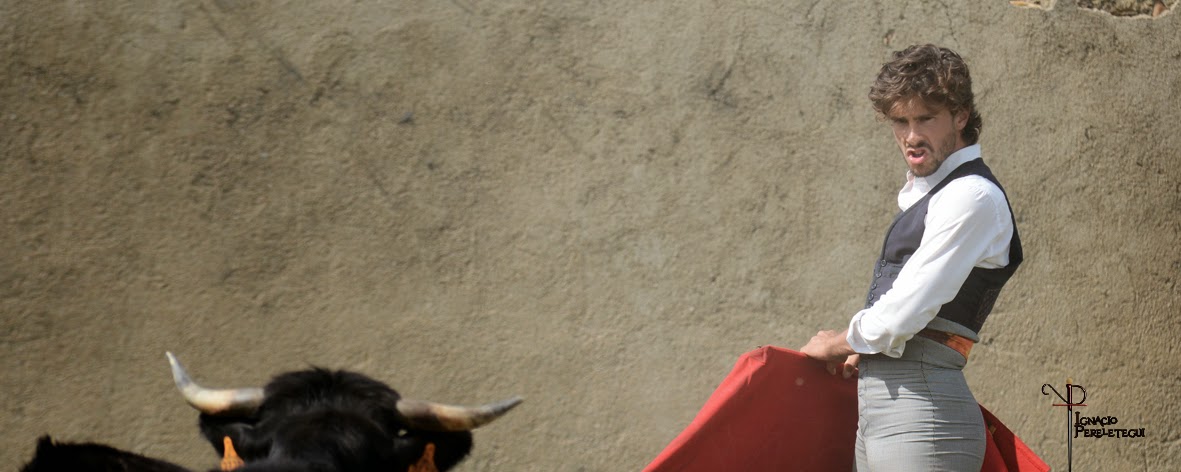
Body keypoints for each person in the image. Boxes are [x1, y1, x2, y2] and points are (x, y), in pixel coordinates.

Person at [799, 44, 1023, 471]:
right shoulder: (941, 194)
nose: (911, 136)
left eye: (925, 119)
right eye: (900, 121)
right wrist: (866, 349)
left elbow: (903, 313)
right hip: (886, 411)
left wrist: (837, 342)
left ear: (960, 116)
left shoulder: (972, 195)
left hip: (924, 413)